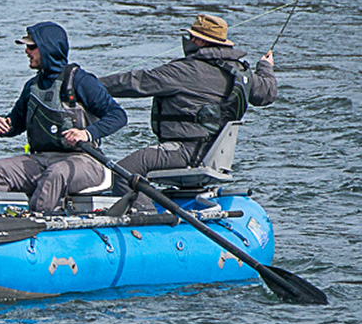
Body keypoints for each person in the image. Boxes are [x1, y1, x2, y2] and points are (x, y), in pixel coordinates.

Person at [99, 13, 277, 211]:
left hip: (186, 153)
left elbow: (136, 82)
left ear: (200, 40)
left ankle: (146, 218)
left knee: (122, 172)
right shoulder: (241, 72)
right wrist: (265, 67)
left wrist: (91, 86)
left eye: (192, 37)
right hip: (213, 154)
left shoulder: (184, 71)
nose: (189, 41)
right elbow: (266, 93)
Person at [0, 21, 127, 214]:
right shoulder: (32, 86)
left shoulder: (81, 81)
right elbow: (16, 123)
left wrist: (86, 134)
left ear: (48, 48)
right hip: (42, 159)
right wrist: (6, 126)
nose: (26, 51)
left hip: (86, 161)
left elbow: (118, 116)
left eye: (31, 47)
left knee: (56, 173)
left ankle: (36, 223)